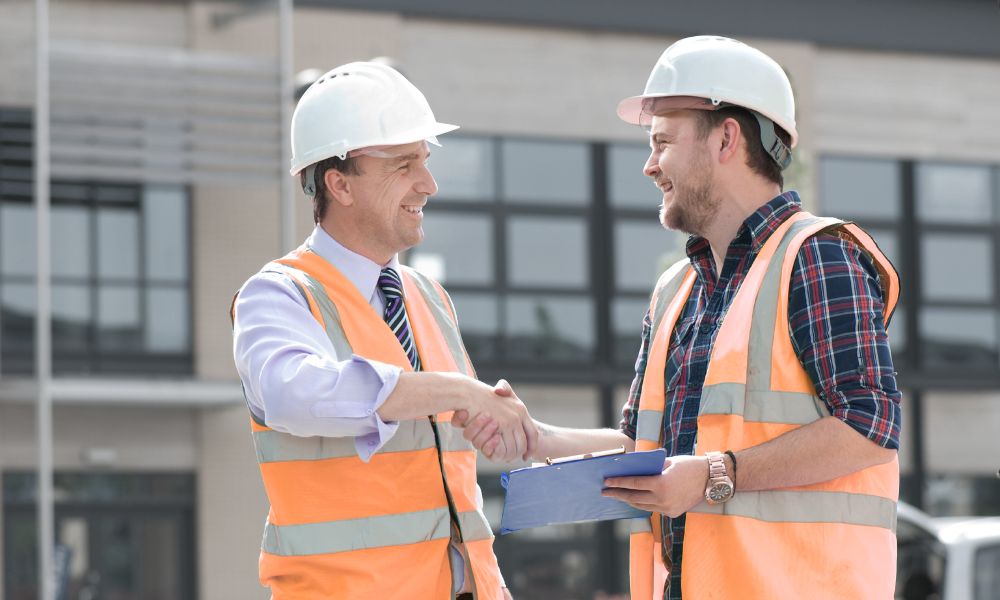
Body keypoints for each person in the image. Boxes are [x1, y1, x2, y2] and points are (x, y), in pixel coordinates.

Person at [460, 36, 902, 600]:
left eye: (663, 142)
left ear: (726, 138)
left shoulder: (816, 255)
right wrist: (536, 438)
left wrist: (717, 474)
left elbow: (870, 425)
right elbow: (644, 446)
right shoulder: (677, 289)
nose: (649, 166)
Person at [231, 61, 532, 600]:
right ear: (339, 184)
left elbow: (447, 477)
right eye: (403, 164)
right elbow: (292, 394)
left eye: (426, 160)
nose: (429, 183)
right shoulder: (279, 294)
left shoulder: (428, 296)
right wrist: (462, 391)